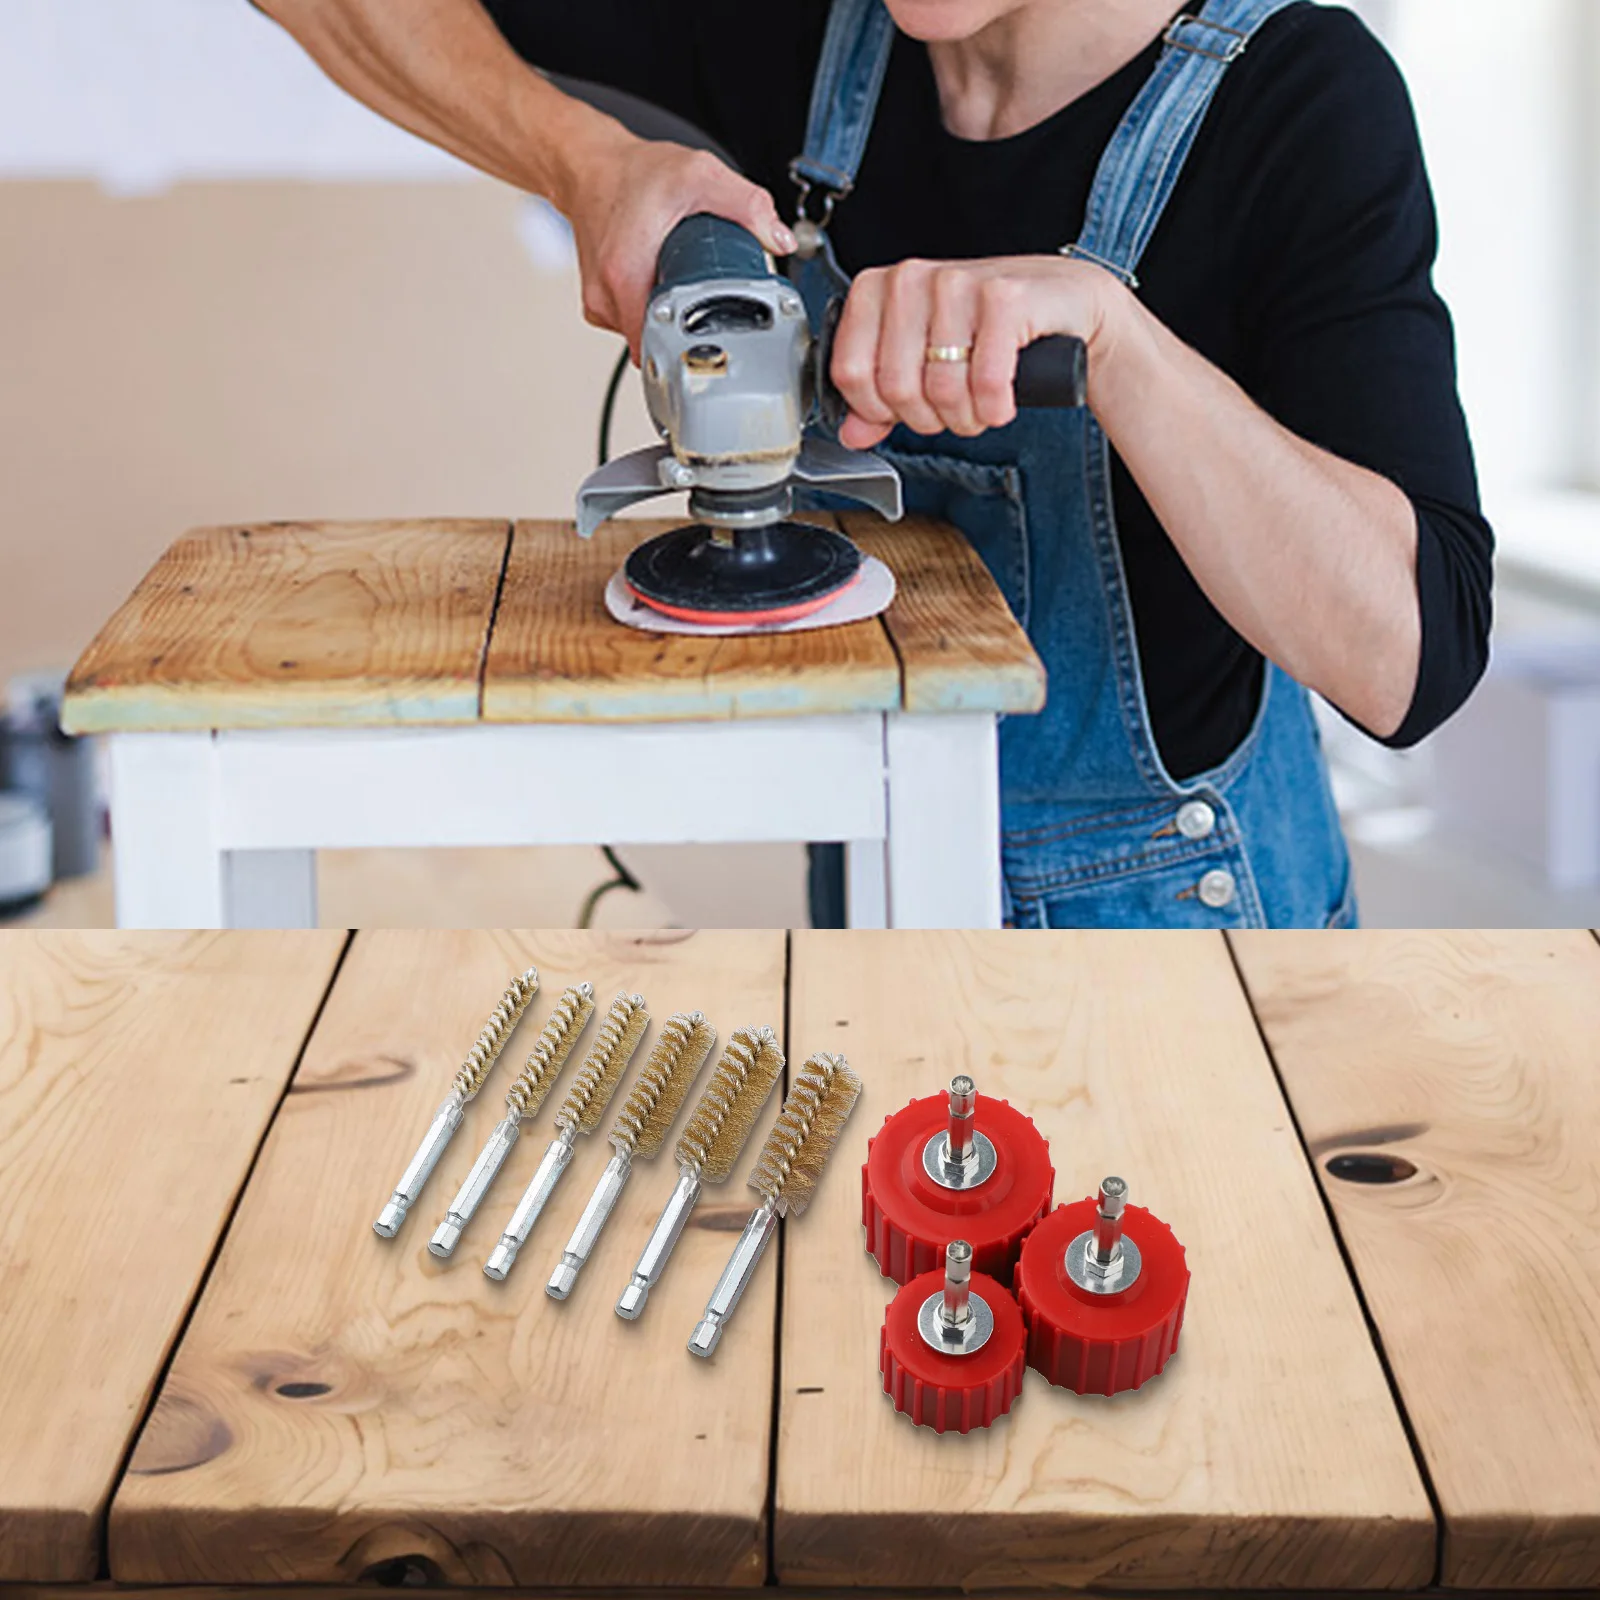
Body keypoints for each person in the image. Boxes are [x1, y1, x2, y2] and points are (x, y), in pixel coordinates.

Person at [253, 0, 1494, 928]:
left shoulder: (1301, 101)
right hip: (886, 927)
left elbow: (1410, 657)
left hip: (1190, 953)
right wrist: (585, 160)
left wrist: (1119, 350)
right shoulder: (808, 39)